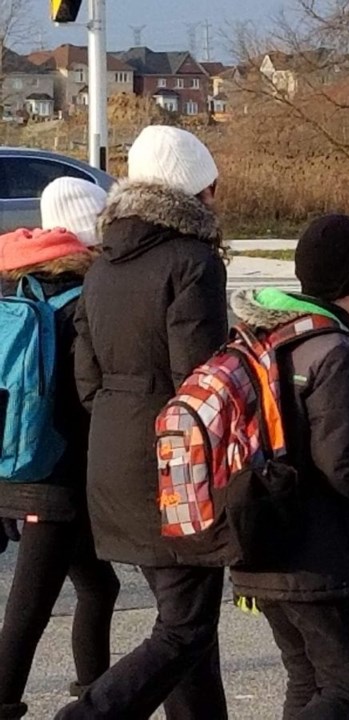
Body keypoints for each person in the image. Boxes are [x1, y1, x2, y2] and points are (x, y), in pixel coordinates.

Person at [56, 126, 229, 720]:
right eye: (211, 188)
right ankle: (91, 713)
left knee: (185, 625)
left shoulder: (102, 266)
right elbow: (199, 381)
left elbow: (86, 378)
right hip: (171, 464)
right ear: (195, 193)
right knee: (185, 625)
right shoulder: (193, 261)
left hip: (109, 452)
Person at [228, 214, 349, 720]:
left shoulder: (259, 334)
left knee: (307, 679)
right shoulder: (335, 349)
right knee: (347, 686)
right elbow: (342, 461)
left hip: (258, 535)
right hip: (313, 551)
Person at [0, 179, 119, 720]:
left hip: (13, 456)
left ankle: (95, 696)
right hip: (59, 472)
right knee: (30, 604)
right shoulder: (86, 298)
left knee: (98, 584)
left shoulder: (13, 282)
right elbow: (86, 394)